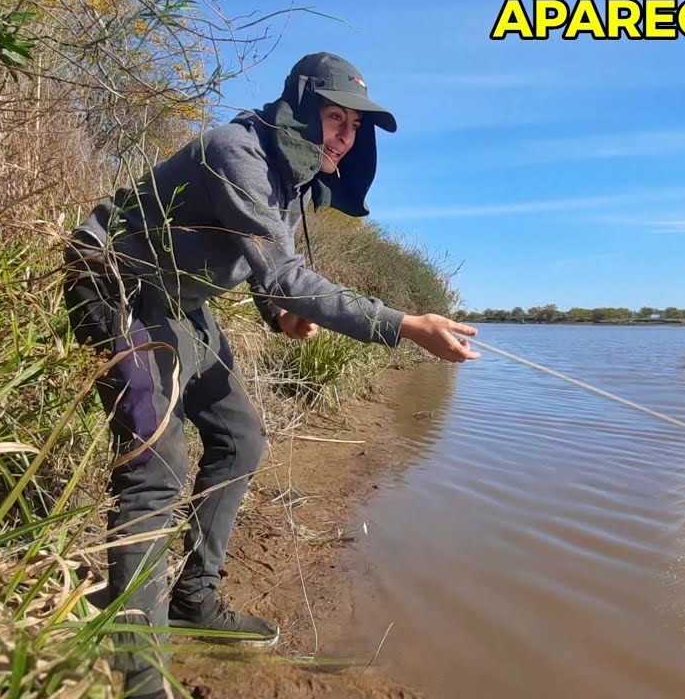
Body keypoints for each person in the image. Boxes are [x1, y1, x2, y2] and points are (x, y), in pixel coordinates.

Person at [61, 51, 479, 698]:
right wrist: (406, 324)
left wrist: (280, 316)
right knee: (157, 466)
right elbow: (286, 275)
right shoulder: (236, 150)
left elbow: (266, 274)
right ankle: (136, 671)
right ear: (301, 111)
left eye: (355, 127)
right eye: (336, 118)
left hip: (179, 301)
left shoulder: (288, 185)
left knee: (242, 439)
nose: (347, 135)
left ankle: (193, 599)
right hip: (115, 284)